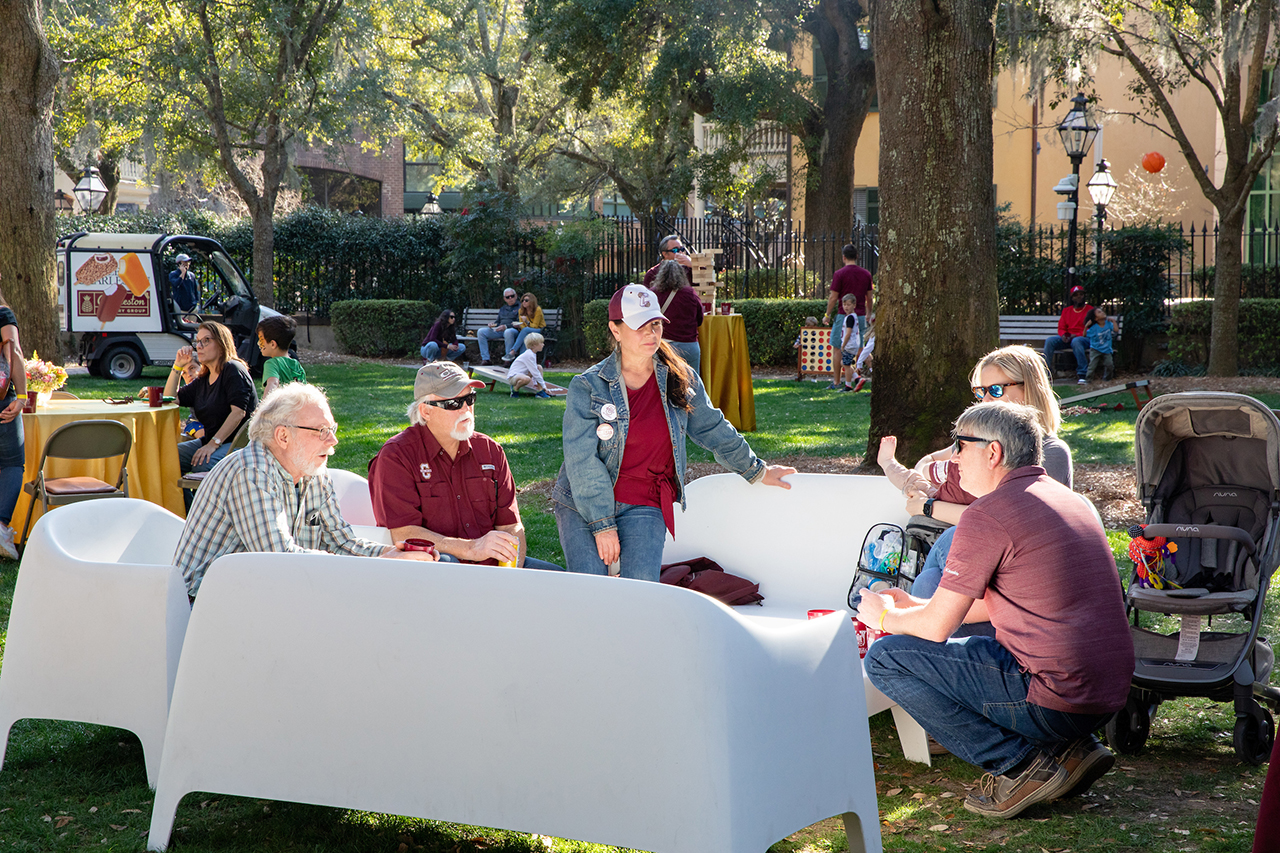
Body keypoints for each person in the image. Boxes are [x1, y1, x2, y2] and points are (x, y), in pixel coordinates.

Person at [859, 402, 1134, 819]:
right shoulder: (1072, 500)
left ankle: (1020, 766)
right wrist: (915, 604)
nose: (952, 458)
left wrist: (881, 616)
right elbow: (1004, 603)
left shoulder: (988, 513)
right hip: (1106, 696)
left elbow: (935, 629)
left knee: (886, 658)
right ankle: (1071, 749)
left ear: (993, 452)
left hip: (1055, 697)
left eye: (960, 444)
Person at [552, 284, 796, 581]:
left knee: (640, 595)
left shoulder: (680, 377)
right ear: (615, 330)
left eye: (655, 324)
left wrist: (756, 470)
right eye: (639, 325)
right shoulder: (588, 386)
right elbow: (581, 460)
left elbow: (712, 427)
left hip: (644, 500)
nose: (650, 333)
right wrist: (603, 524)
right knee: (588, 592)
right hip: (582, 502)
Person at [174, 384, 435, 600]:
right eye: (321, 432)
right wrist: (367, 568)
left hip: (264, 595)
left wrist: (389, 554)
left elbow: (341, 542)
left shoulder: (313, 471)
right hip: (202, 604)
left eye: (331, 430)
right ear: (283, 437)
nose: (333, 441)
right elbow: (279, 560)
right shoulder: (250, 472)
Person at [890, 345, 1074, 600]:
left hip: (1019, 573)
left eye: (996, 390)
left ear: (1028, 389)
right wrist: (928, 478)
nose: (986, 400)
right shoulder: (980, 444)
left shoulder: (1050, 452)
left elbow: (1009, 526)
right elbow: (926, 461)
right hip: (977, 558)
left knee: (947, 548)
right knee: (930, 577)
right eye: (980, 392)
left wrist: (928, 507)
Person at [368, 362, 562, 570]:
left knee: (558, 580)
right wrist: (472, 548)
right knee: (446, 564)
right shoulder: (397, 456)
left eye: (470, 399)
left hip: (494, 567)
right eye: (453, 403)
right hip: (433, 570)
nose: (466, 409)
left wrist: (509, 573)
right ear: (425, 411)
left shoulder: (490, 450)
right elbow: (404, 533)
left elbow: (511, 525)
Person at [165, 321, 258, 482]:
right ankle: (184, 507)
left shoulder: (233, 369)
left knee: (201, 464)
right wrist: (177, 366)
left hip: (239, 445)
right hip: (211, 441)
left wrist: (213, 444)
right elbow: (170, 400)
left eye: (206, 340)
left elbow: (238, 413)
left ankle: (204, 506)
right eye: (197, 342)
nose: (199, 346)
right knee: (166, 458)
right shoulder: (204, 378)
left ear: (222, 344)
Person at [822, 244, 873, 389]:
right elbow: (869, 297)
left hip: (843, 316)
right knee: (860, 348)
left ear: (843, 257)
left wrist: (827, 315)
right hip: (861, 315)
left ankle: (838, 381)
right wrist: (869, 314)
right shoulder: (866, 274)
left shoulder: (839, 274)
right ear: (857, 256)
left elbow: (833, 297)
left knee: (838, 347)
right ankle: (863, 374)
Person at [0, 271, 25, 560]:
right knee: (11, 463)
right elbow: (14, 350)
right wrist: (22, 395)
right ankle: (1, 525)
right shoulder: (3, 314)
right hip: (2, 401)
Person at [649, 258, 704, 373]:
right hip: (689, 345)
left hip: (664, 346)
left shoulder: (652, 294)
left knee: (663, 385)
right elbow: (700, 319)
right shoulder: (690, 293)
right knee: (692, 385)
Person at [1042, 285, 1094, 384]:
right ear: (1072, 298)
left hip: (1084, 338)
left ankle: (1083, 374)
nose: (1079, 297)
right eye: (1076, 295)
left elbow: (1091, 329)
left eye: (1081, 294)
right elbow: (1061, 327)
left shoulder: (1090, 310)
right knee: (1050, 341)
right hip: (1069, 338)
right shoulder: (1067, 311)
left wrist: (1076, 335)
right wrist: (1063, 335)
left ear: (1084, 296)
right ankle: (1046, 372)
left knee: (1076, 341)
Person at [257, 315, 306, 396]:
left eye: (261, 340)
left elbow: (273, 383)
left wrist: (264, 406)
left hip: (280, 407)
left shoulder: (271, 363)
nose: (258, 343)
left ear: (273, 344)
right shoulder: (296, 364)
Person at [477, 288, 520, 366]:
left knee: (508, 332)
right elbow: (498, 322)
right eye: (508, 297)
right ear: (504, 299)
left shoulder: (520, 307)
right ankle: (485, 359)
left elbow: (519, 323)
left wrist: (506, 326)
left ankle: (508, 359)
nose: (510, 298)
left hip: (513, 330)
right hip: (500, 330)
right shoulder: (503, 308)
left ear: (516, 296)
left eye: (512, 296)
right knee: (481, 331)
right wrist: (493, 325)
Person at [501, 292, 545, 362]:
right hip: (526, 331)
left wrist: (527, 321)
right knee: (525, 334)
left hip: (540, 330)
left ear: (532, 301)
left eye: (526, 300)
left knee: (525, 331)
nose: (524, 302)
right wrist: (518, 325)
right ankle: (521, 359)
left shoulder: (537, 310)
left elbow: (535, 326)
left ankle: (513, 352)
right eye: (523, 300)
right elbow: (523, 326)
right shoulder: (521, 310)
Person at [507, 333, 552, 398]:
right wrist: (545, 387)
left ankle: (540, 391)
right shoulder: (529, 355)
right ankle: (515, 389)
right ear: (534, 345)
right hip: (513, 377)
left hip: (523, 374)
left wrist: (537, 384)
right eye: (541, 343)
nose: (543, 344)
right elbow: (535, 372)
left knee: (539, 367)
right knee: (527, 379)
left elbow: (534, 370)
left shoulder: (532, 354)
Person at [836, 293, 862, 392]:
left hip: (849, 344)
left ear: (854, 305)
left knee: (846, 365)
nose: (846, 307)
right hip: (851, 344)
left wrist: (843, 345)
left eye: (848, 304)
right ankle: (857, 378)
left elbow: (848, 333)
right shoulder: (851, 317)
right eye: (844, 304)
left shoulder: (850, 317)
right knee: (843, 362)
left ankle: (848, 385)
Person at [1084, 307, 1115, 382]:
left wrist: (1114, 321)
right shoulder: (1094, 328)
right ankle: (1088, 380)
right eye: (1099, 312)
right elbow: (1084, 335)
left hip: (1107, 349)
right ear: (1096, 318)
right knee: (1092, 365)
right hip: (1095, 349)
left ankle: (1107, 379)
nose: (1102, 312)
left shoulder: (1108, 324)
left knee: (1109, 365)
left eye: (1102, 311)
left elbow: (1116, 330)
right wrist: (1086, 326)